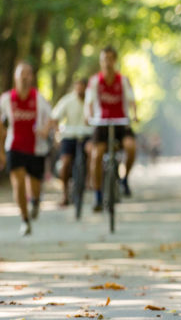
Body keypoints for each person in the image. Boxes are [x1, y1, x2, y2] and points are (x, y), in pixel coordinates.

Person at [0, 62, 55, 235]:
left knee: (35, 186)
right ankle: (24, 220)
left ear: (32, 77)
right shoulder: (7, 99)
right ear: (16, 77)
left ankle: (36, 201)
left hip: (36, 148)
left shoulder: (38, 98)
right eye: (21, 74)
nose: (24, 77)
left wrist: (46, 130)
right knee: (19, 184)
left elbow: (52, 118)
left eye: (28, 74)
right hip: (14, 147)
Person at [85, 46, 139, 210]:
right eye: (104, 59)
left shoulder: (122, 80)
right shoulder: (95, 81)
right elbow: (89, 103)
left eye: (110, 58)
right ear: (100, 61)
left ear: (114, 60)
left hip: (121, 122)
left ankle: (124, 179)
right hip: (102, 123)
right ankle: (98, 194)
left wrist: (135, 115)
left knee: (130, 148)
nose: (107, 62)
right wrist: (88, 116)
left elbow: (131, 100)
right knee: (96, 157)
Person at [52, 79, 91, 207]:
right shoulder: (67, 100)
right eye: (78, 87)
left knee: (92, 153)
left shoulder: (92, 100)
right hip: (69, 136)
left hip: (87, 136)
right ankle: (65, 194)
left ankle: (88, 181)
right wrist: (57, 134)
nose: (80, 90)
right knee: (65, 163)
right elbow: (55, 117)